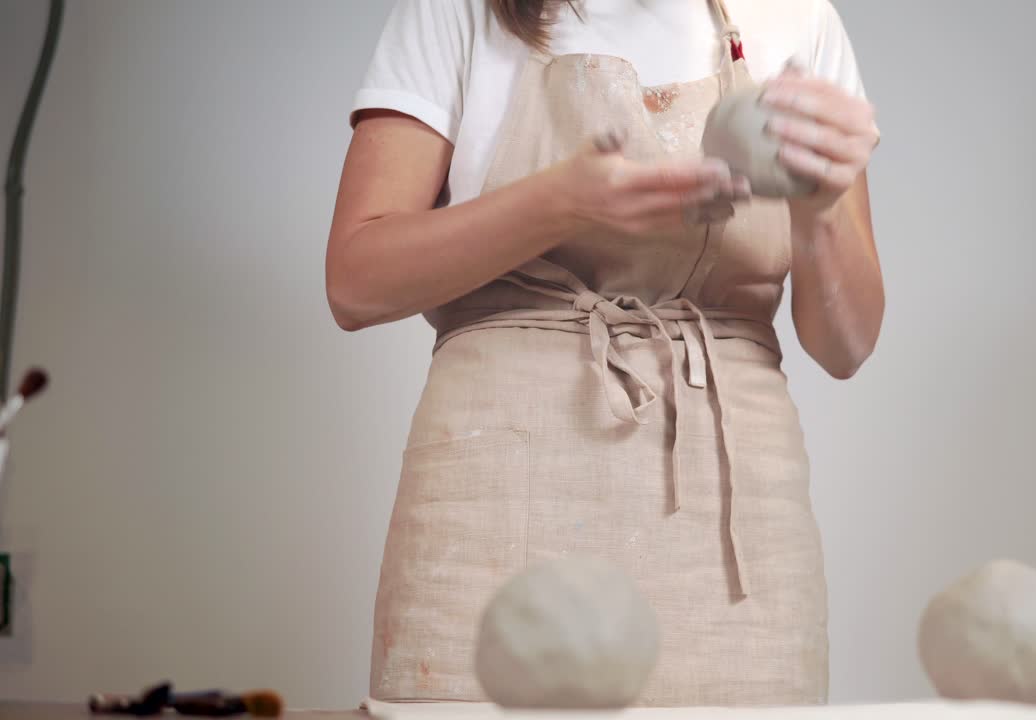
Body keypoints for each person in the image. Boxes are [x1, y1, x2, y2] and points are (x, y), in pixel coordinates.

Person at [327, 0, 884, 706]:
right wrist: (560, 203)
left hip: (734, 514)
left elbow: (848, 344)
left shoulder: (796, 19)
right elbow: (355, 282)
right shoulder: (459, 10)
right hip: (500, 480)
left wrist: (823, 203)